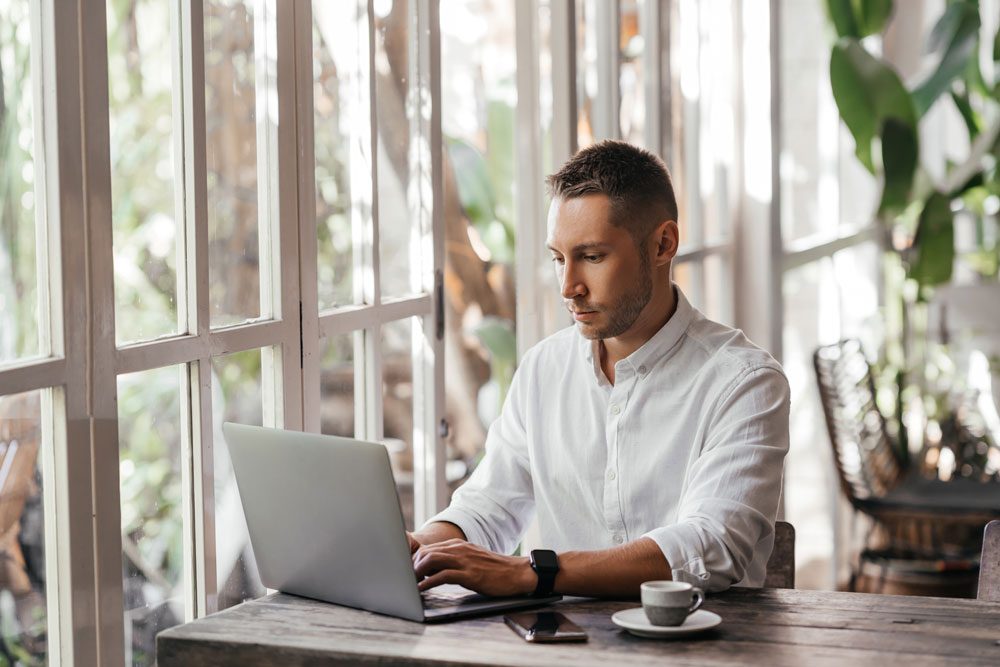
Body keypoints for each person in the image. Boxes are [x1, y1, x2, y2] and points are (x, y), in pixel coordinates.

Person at [410, 140, 789, 599]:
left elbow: (711, 543)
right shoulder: (542, 369)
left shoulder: (745, 382)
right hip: (562, 645)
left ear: (663, 245)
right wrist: (418, 547)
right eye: (558, 258)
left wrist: (536, 573)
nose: (569, 286)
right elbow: (490, 504)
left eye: (591, 257)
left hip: (699, 648)